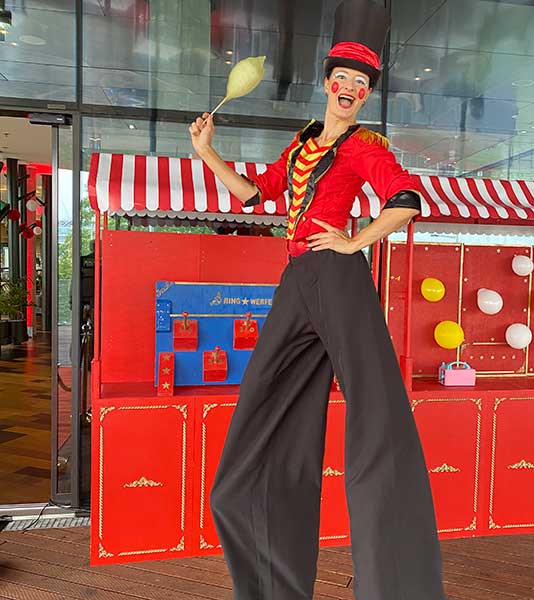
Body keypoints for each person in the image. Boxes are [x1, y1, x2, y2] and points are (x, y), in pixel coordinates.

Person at [189, 1, 447, 598]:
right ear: (328, 83)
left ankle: (397, 586)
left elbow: (406, 199)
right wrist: (206, 152)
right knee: (261, 421)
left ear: (366, 94)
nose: (351, 88)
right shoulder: (304, 141)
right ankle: (274, 584)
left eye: (362, 83)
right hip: (297, 278)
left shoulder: (363, 146)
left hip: (336, 273)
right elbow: (255, 194)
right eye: (344, 78)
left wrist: (355, 239)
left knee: (378, 421)